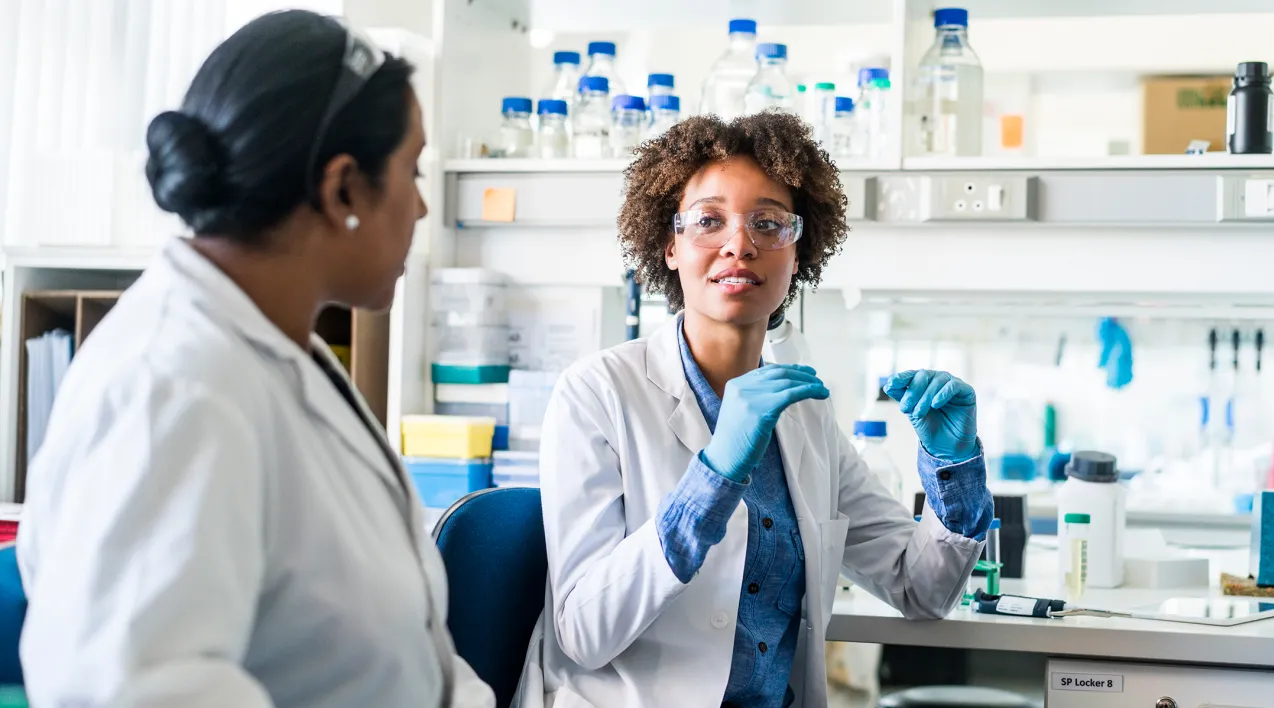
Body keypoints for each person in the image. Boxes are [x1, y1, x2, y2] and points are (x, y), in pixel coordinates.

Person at [15, 11, 493, 708]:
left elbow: (407, 655)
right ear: (343, 190)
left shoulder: (275, 349)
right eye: (411, 170)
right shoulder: (174, 389)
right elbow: (135, 690)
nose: (421, 207)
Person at [513, 112, 994, 708]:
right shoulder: (597, 393)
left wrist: (954, 467)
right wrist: (712, 476)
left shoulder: (805, 415)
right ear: (669, 244)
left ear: (798, 253)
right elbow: (584, 633)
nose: (740, 244)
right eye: (709, 221)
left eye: (768, 223)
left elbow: (920, 588)